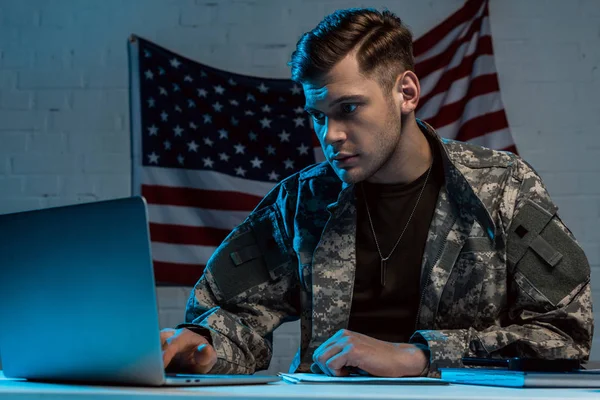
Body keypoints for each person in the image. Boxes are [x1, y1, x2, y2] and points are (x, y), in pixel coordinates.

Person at [160, 8, 594, 378]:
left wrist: (418, 356)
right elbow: (235, 318)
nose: (330, 135)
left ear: (406, 92)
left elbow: (564, 335)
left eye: (348, 109)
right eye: (318, 115)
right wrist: (203, 348)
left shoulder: (502, 188)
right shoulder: (301, 201)